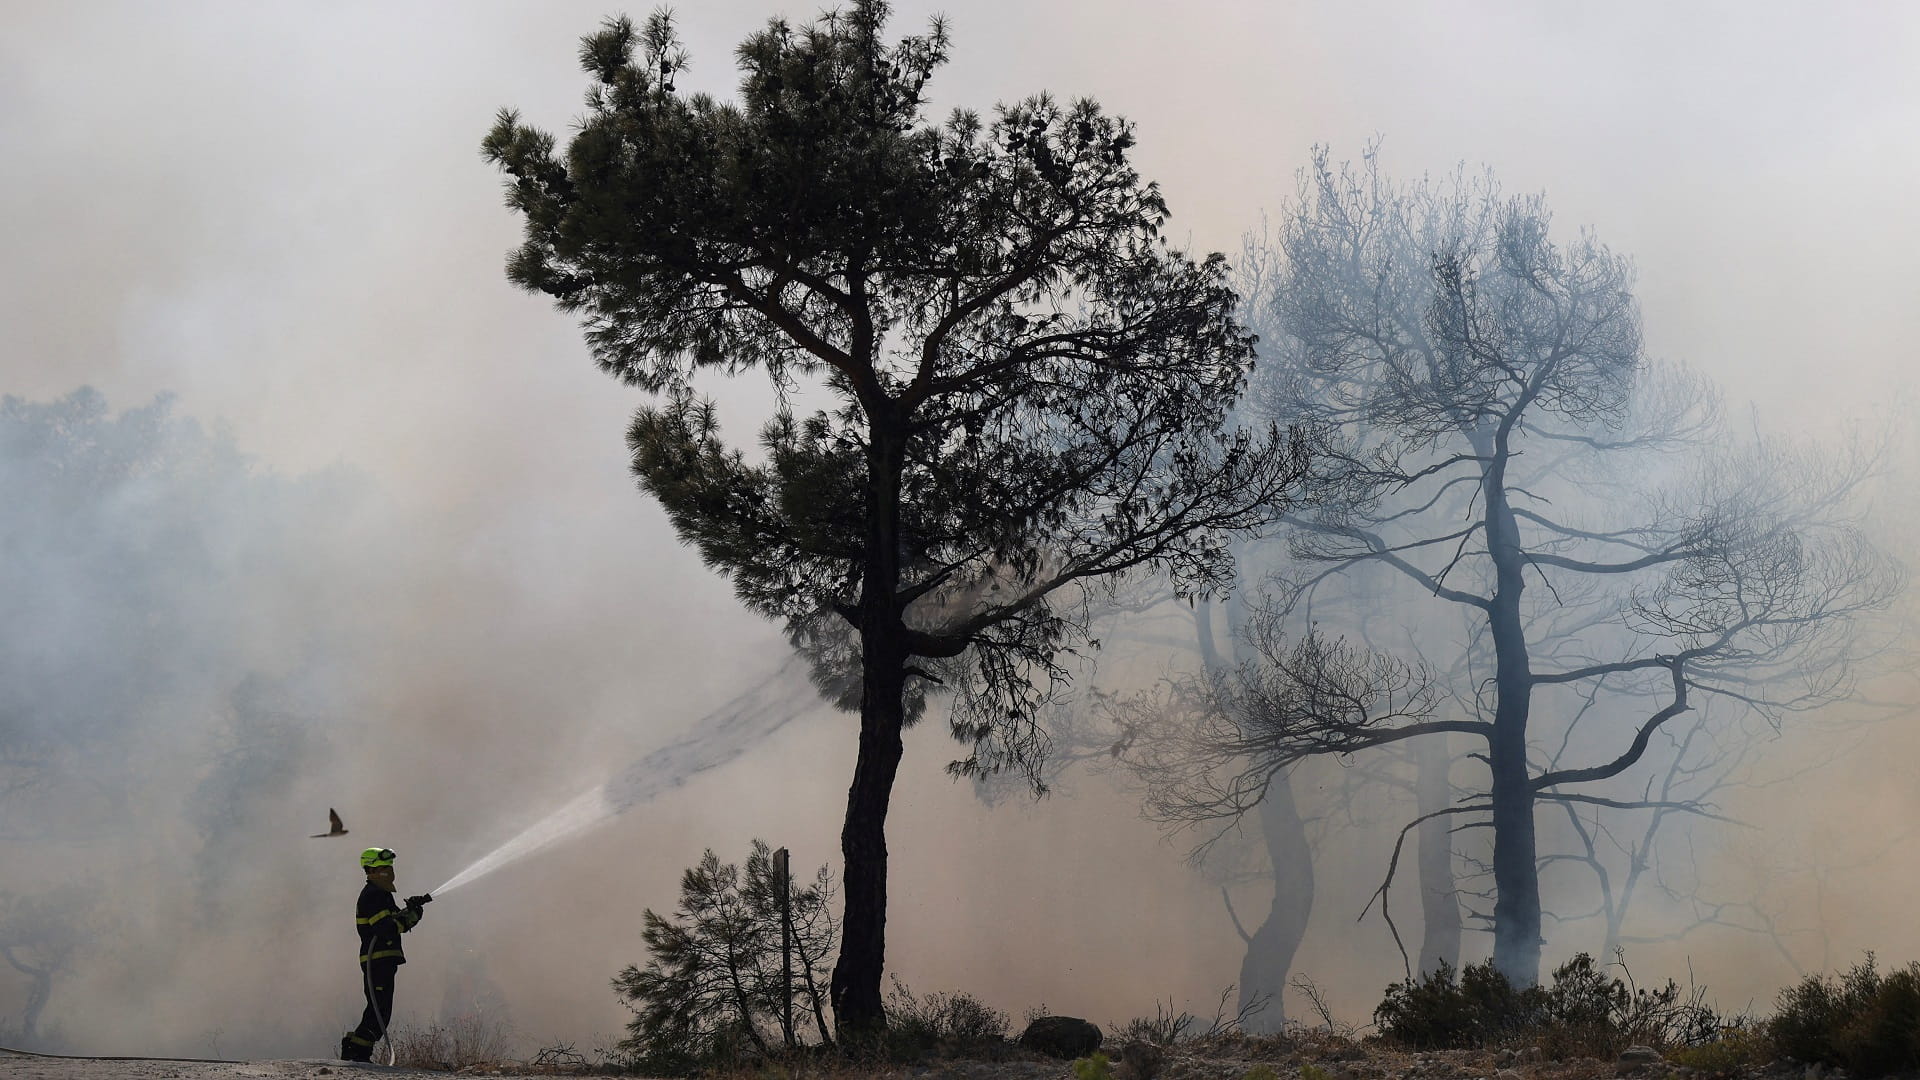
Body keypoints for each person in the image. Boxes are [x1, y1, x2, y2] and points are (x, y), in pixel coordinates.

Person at [341, 846, 429, 1062]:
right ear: (370, 870)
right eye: (384, 867)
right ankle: (355, 1053)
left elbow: (393, 921)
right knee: (379, 1012)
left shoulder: (381, 895)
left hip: (383, 959)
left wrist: (412, 911)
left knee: (380, 1010)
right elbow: (386, 927)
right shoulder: (373, 894)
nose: (389, 871)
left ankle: (357, 1052)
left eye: (390, 867)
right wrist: (410, 918)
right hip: (376, 959)